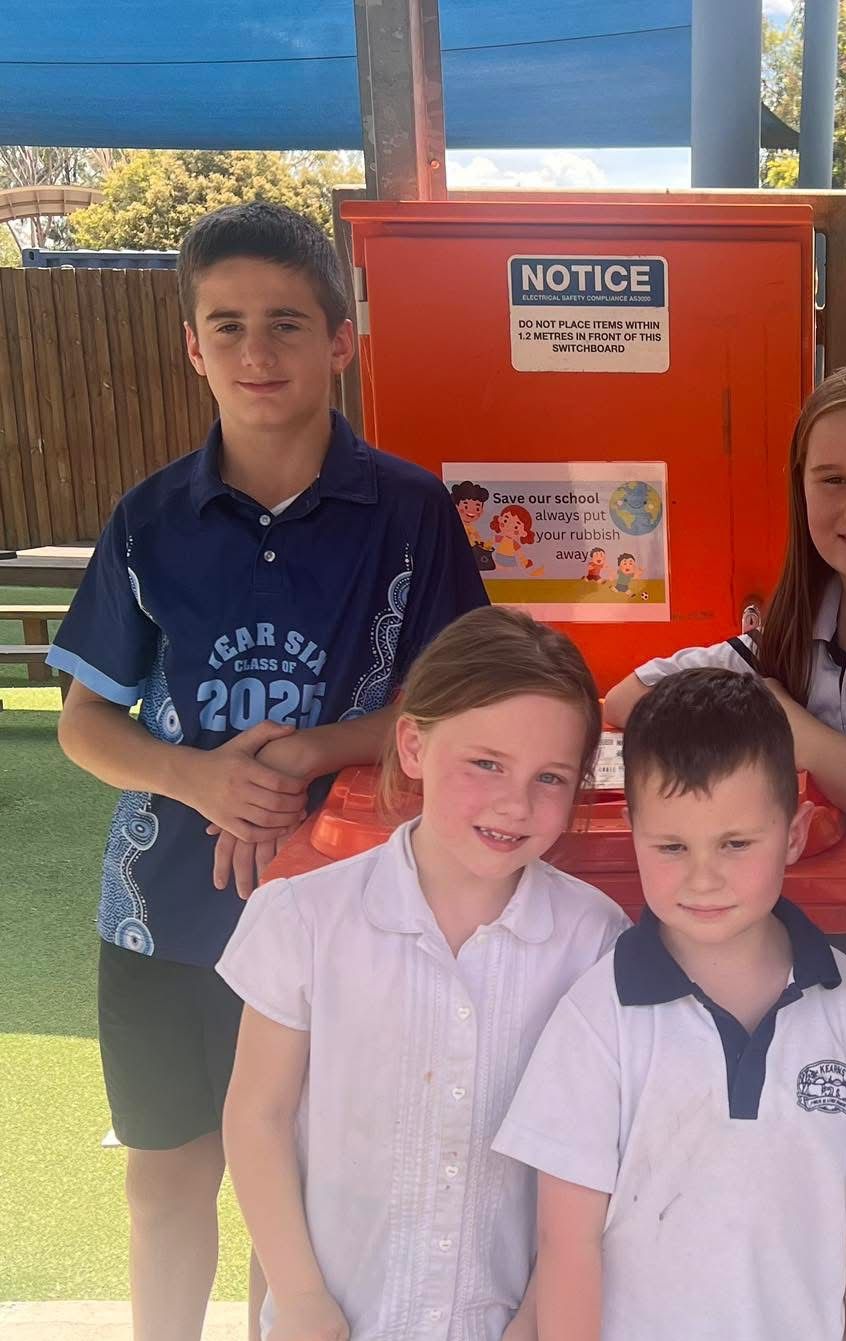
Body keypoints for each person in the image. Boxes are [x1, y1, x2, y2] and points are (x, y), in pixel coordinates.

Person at [47, 201, 487, 1341]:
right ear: (192, 345)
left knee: (298, 1194)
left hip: (341, 906)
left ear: (342, 340)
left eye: (287, 323)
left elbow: (457, 700)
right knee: (169, 1177)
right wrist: (199, 781)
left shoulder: (410, 512)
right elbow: (87, 720)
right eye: (227, 325)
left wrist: (305, 756)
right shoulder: (149, 520)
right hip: (164, 914)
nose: (257, 352)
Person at [219, 607, 627, 1341]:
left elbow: (597, 1156)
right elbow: (257, 1117)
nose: (515, 802)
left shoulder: (595, 942)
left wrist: (539, 1312)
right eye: (486, 763)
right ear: (413, 744)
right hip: (339, 1317)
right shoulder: (305, 920)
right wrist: (301, 1295)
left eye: (550, 778)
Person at [493, 669, 846, 1340]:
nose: (703, 877)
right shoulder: (596, 1017)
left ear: (794, 834)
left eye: (734, 843)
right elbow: (567, 1239)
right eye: (671, 846)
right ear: (633, 834)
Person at [604, 362, 846, 1025]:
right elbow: (627, 699)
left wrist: (781, 721)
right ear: (800, 490)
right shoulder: (789, 634)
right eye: (832, 481)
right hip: (800, 988)